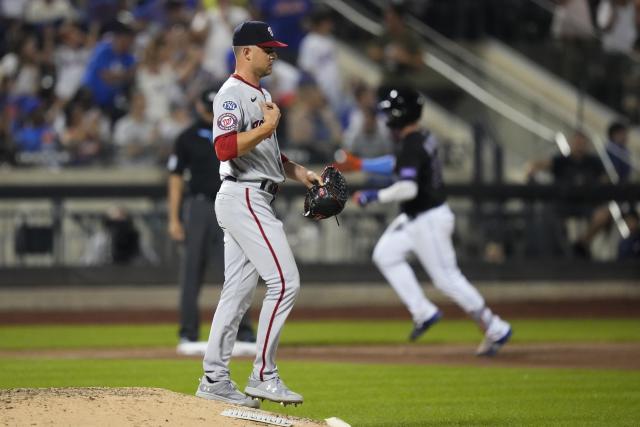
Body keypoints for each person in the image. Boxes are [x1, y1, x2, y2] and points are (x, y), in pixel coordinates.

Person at [195, 21, 322, 408]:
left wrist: (299, 172)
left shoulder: (261, 92)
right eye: (267, 49)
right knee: (285, 282)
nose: (274, 54)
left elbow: (269, 154)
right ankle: (264, 374)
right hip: (244, 196)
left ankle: (214, 378)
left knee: (235, 294)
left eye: (274, 48)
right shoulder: (231, 94)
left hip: (253, 194)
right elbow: (224, 148)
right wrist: (267, 126)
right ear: (246, 51)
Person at [351, 87, 512, 356]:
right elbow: (397, 163)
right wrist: (361, 165)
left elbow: (408, 188)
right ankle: (423, 311)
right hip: (416, 218)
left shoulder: (413, 142)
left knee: (448, 280)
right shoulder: (420, 137)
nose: (387, 116)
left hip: (428, 219)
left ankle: (494, 326)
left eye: (390, 111)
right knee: (385, 254)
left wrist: (373, 196)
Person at [167, 87, 256, 357]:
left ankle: (244, 332)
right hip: (200, 206)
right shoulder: (187, 137)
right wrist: (174, 217)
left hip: (230, 203)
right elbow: (175, 178)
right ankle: (188, 332)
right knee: (192, 271)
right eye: (206, 108)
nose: (208, 113)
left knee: (236, 271)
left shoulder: (234, 134)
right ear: (199, 107)